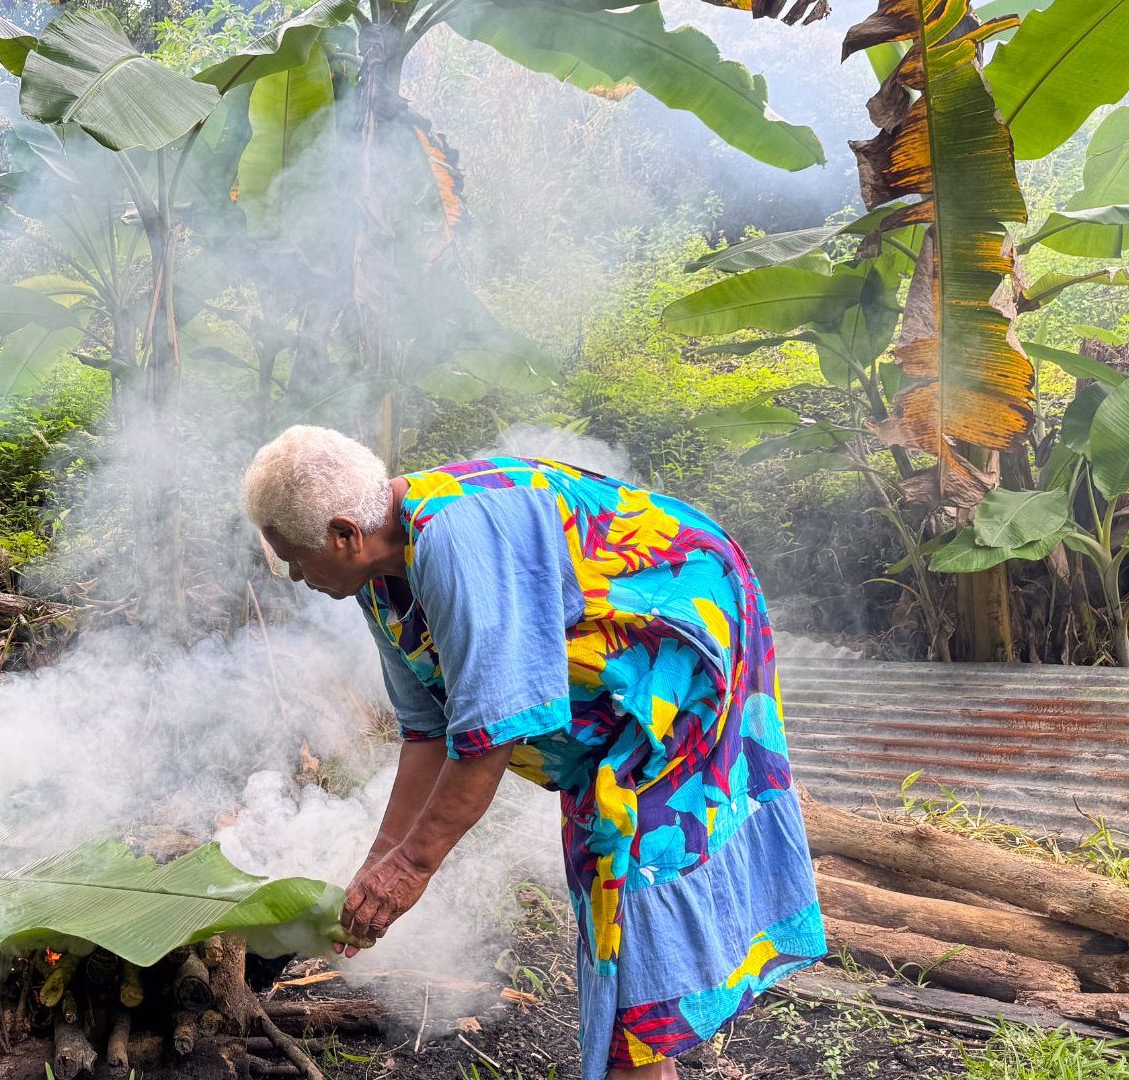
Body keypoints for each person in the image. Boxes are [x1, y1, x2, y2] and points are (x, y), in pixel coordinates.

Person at [241, 426, 823, 1080]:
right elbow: (428, 734)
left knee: (626, 875)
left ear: (345, 534)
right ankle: (638, 1057)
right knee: (603, 872)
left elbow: (488, 734)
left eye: (295, 557)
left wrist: (410, 869)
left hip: (685, 651)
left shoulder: (455, 540)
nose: (293, 575)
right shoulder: (380, 582)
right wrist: (377, 866)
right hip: (618, 692)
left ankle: (637, 1054)